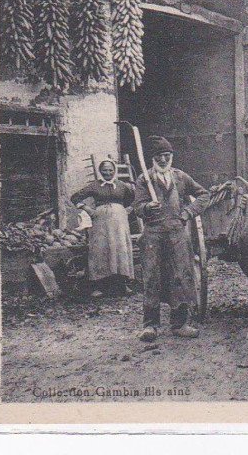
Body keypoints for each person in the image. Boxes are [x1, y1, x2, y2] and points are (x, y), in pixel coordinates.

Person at [133, 136, 210, 342]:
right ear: (153, 158)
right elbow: (137, 207)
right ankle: (150, 326)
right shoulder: (144, 179)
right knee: (151, 277)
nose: (164, 160)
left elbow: (204, 195)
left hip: (177, 233)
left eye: (167, 156)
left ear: (172, 157)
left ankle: (180, 324)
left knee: (180, 275)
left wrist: (188, 213)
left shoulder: (180, 177)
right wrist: (147, 207)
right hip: (153, 234)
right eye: (160, 156)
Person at [71, 159, 135, 297]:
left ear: (114, 171)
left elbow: (137, 198)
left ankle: (123, 284)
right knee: (100, 250)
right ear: (100, 171)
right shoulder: (95, 186)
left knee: (120, 249)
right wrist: (87, 208)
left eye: (110, 170)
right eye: (105, 170)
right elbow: (75, 197)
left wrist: (129, 209)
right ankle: (97, 286)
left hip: (119, 222)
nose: (108, 173)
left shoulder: (122, 185)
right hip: (101, 223)